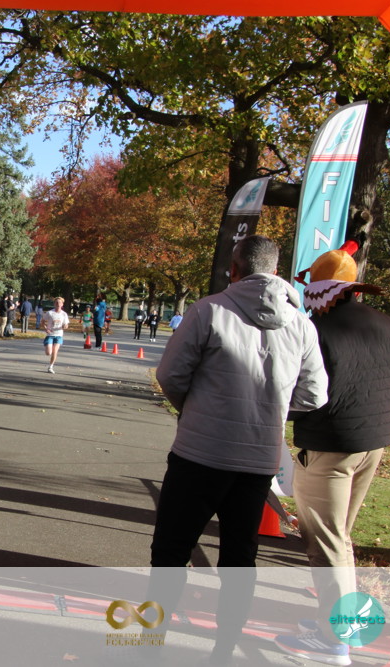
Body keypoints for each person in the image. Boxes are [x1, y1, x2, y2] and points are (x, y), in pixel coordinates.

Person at [149, 235, 328, 665]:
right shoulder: (302, 325)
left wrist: (196, 409)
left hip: (199, 452)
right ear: (276, 271)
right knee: (239, 557)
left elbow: (170, 375)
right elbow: (315, 395)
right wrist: (268, 411)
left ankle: (151, 644)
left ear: (235, 268)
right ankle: (224, 649)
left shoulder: (209, 310)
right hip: (256, 460)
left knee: (171, 551)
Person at [274, 242, 390, 666]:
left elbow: (301, 391)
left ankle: (335, 641)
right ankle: (342, 627)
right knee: (340, 538)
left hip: (330, 445)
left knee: (326, 545)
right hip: (374, 442)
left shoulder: (315, 329)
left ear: (318, 288)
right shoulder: (386, 324)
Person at [42, 297, 70, 373]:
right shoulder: (50, 313)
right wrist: (46, 328)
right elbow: (43, 321)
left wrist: (65, 326)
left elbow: (66, 325)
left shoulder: (64, 314)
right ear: (54, 304)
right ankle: (47, 346)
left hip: (59, 335)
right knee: (48, 353)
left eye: (59, 302)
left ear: (62, 304)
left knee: (55, 351)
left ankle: (51, 367)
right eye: (56, 302)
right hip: (50, 334)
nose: (58, 304)